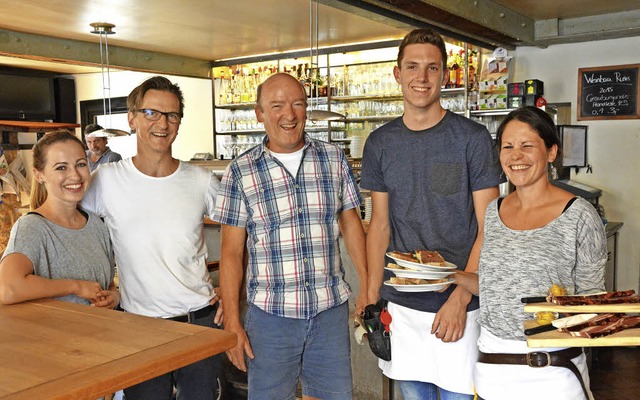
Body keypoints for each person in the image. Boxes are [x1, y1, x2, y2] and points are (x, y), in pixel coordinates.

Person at [360, 28, 504, 399]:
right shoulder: (380, 143)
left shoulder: (471, 139)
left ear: (444, 75)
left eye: (432, 68)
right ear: (397, 74)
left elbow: (490, 226)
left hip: (457, 305)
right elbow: (379, 225)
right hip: (401, 305)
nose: (421, 78)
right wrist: (370, 292)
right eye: (412, 67)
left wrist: (460, 297)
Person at [213, 72, 367, 400]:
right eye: (278, 106)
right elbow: (230, 252)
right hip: (270, 317)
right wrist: (232, 322)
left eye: (298, 104)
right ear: (260, 113)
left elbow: (351, 223)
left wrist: (367, 285)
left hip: (329, 311)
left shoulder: (333, 158)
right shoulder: (241, 170)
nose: (290, 114)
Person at [81, 76, 223, 400]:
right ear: (131, 119)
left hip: (199, 321)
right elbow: (70, 225)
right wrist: (106, 288)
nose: (162, 123)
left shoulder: (201, 181)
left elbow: (242, 228)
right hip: (138, 327)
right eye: (151, 113)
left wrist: (231, 288)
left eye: (172, 115)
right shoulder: (106, 180)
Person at [455, 106, 607, 400]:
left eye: (527, 146)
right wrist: (451, 276)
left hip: (553, 371)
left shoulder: (579, 215)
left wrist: (563, 308)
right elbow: (492, 287)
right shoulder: (494, 211)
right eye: (508, 146)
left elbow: (593, 303)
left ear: (551, 152)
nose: (516, 156)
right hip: (493, 370)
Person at [0, 130, 117, 308]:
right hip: (58, 335)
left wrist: (113, 297)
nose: (75, 176)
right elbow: (7, 289)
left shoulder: (96, 224)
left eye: (80, 164)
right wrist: (75, 287)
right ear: (39, 175)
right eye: (61, 167)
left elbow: (107, 283)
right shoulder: (32, 227)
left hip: (105, 332)